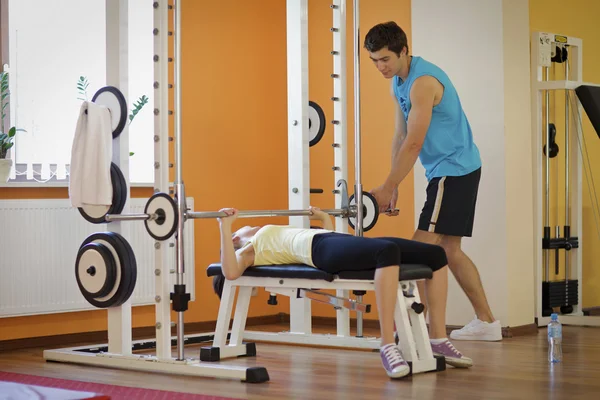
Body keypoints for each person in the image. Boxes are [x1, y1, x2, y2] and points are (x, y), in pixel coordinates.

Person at [212, 206, 472, 380]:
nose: (240, 229)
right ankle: (387, 344)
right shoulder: (247, 248)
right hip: (318, 253)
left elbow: (325, 234)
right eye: (235, 232)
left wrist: (323, 219)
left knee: (437, 254)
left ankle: (437, 338)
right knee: (387, 251)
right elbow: (231, 272)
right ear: (235, 240)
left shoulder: (269, 232)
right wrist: (224, 228)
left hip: (330, 238)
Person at [364, 21, 502, 342]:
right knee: (450, 250)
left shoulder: (422, 83)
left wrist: (386, 186)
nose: (380, 67)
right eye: (374, 61)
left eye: (385, 59)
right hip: (453, 170)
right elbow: (399, 134)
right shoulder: (398, 81)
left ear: (403, 51)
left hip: (452, 170)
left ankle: (417, 330)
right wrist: (392, 185)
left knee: (416, 250)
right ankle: (487, 322)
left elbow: (414, 141)